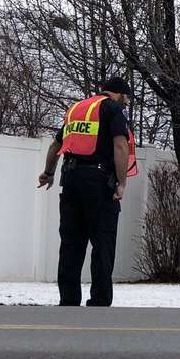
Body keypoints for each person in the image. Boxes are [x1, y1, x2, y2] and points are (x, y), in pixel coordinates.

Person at [38, 77, 137, 306]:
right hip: (99, 183)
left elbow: (56, 145)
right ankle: (100, 301)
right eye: (127, 99)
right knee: (103, 242)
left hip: (71, 180)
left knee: (71, 242)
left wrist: (49, 172)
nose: (126, 104)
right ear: (119, 94)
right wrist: (121, 183)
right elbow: (120, 145)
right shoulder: (112, 109)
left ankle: (69, 299)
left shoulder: (77, 110)